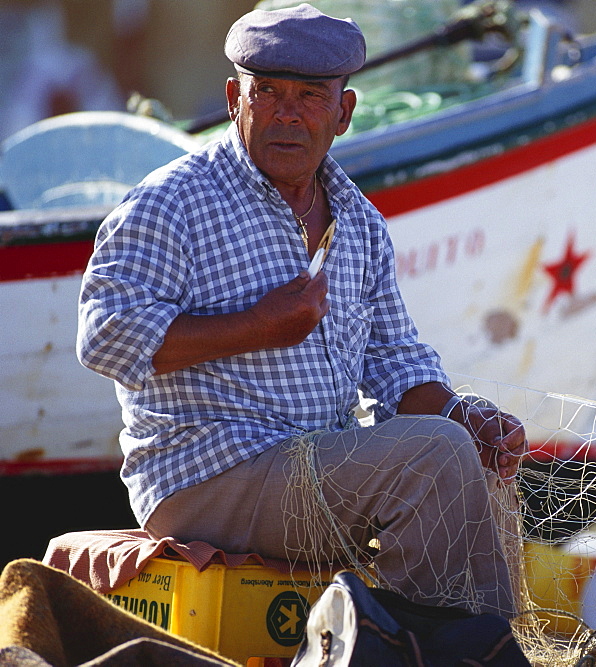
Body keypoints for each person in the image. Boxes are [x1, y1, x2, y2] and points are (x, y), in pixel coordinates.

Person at [77, 3, 526, 619]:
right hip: (203, 476)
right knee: (435, 456)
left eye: (311, 96)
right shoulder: (171, 203)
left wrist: (460, 415)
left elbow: (395, 361)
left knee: (462, 447)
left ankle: (424, 644)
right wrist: (256, 327)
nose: (287, 113)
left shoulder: (359, 220)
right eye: (267, 93)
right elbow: (104, 338)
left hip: (312, 465)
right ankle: (447, 653)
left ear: (343, 113)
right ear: (235, 99)